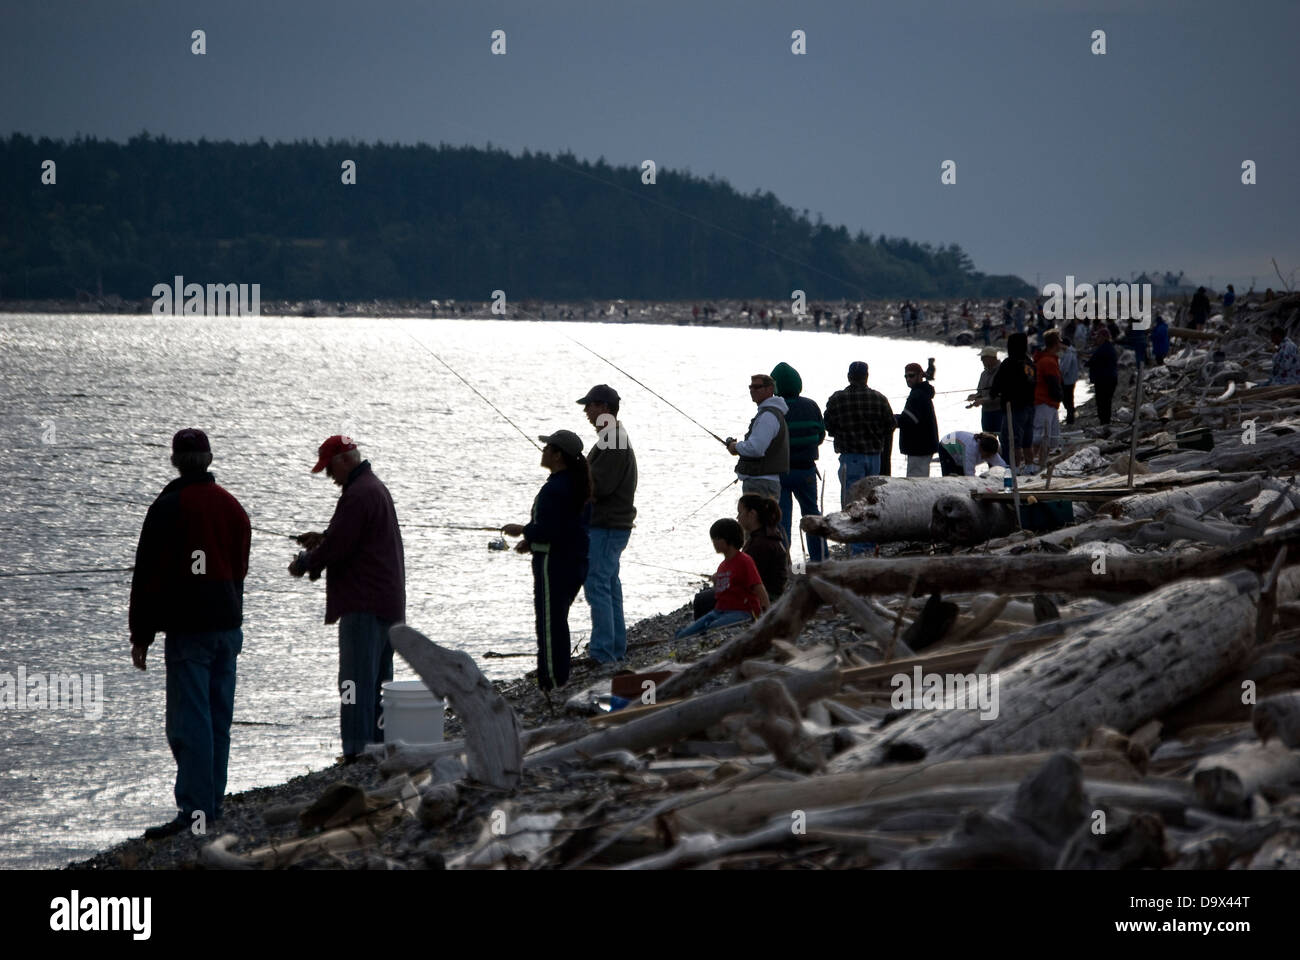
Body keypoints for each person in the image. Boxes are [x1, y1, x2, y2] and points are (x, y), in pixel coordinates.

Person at [130, 428, 250, 839]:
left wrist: (140, 634)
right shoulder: (233, 507)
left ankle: (195, 813)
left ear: (175, 460)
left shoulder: (168, 507)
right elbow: (239, 570)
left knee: (190, 721)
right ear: (209, 459)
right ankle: (211, 804)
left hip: (190, 630)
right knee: (218, 717)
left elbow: (147, 577)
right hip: (228, 626)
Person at [290, 436, 406, 762]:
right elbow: (348, 538)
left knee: (353, 684)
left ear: (344, 460)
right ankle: (379, 746)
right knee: (379, 682)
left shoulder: (358, 494)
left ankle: (355, 751)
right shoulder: (374, 488)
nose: (330, 477)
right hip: (388, 602)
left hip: (364, 605)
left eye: (329, 469)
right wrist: (323, 539)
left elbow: (338, 547)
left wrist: (305, 562)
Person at [501, 430, 591, 690]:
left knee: (549, 624)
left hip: (555, 564)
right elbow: (566, 527)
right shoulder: (577, 484)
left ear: (558, 455)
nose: (543, 452)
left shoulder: (555, 489)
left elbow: (550, 530)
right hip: (573, 561)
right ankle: (558, 676)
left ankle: (552, 681)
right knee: (557, 619)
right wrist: (531, 542)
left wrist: (524, 530)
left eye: (547, 448)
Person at [576, 384, 637, 664]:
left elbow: (599, 486)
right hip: (612, 525)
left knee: (597, 584)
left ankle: (603, 652)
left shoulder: (612, 440)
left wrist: (572, 475)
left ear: (605, 408)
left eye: (590, 406)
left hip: (607, 526)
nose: (587, 411)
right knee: (609, 584)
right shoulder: (610, 438)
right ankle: (614, 647)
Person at [824, 361, 895, 553]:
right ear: (867, 377)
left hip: (850, 458)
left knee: (851, 502)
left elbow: (828, 425)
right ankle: (870, 544)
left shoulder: (837, 399)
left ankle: (855, 546)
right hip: (874, 457)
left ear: (849, 377)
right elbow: (890, 425)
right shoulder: (879, 398)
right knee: (871, 500)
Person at [771, 362, 827, 562]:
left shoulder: (774, 410)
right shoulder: (811, 405)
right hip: (807, 471)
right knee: (812, 514)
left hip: (781, 473)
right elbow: (820, 435)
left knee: (782, 519)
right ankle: (820, 560)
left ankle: (785, 564)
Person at [675, 519, 768, 639]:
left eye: (716, 538)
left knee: (713, 628)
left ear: (727, 539)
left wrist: (766, 615)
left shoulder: (745, 561)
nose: (713, 542)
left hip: (742, 611)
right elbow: (721, 592)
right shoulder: (722, 566)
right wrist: (716, 582)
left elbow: (758, 587)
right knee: (684, 634)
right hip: (719, 611)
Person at [726, 373, 789, 500]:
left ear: (770, 389)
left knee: (757, 520)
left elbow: (756, 448)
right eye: (750, 387)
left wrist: (735, 447)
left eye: (757, 387)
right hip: (763, 482)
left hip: (760, 483)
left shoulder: (768, 416)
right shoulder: (770, 413)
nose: (752, 390)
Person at [991, 332, 1036, 468]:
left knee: (1012, 441)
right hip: (1030, 407)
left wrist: (993, 393)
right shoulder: (1029, 363)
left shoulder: (1009, 363)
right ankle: (1029, 468)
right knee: (1027, 441)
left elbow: (997, 384)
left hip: (1014, 408)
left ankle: (1014, 469)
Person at [737, 494, 789, 599]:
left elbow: (749, 580)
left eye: (740, 512)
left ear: (752, 514)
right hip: (769, 592)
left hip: (767, 596)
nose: (738, 517)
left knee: (702, 600)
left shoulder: (760, 543)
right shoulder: (764, 535)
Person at [896, 363, 939, 477]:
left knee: (915, 480)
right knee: (921, 478)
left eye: (911, 375)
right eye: (906, 376)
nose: (908, 379)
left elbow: (908, 420)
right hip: (924, 446)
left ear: (921, 375)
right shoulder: (922, 392)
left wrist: (890, 419)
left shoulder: (917, 395)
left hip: (919, 447)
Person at [1033, 331, 1064, 464]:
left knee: (1049, 437)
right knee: (1040, 436)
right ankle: (1032, 463)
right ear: (1056, 343)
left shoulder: (1046, 359)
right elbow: (1053, 383)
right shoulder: (1048, 361)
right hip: (1044, 402)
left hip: (1048, 402)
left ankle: (1041, 462)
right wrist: (1061, 396)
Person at [1087, 328, 1120, 425]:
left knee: (1102, 402)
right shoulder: (1106, 347)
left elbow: (1092, 361)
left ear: (1104, 337)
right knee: (1105, 402)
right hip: (1108, 378)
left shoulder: (1104, 349)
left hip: (1105, 380)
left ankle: (1104, 422)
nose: (1096, 339)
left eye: (1098, 337)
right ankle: (1105, 422)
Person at [938, 431, 1008, 476]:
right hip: (946, 445)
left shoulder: (990, 451)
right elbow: (969, 473)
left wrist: (1010, 474)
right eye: (986, 455)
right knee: (952, 476)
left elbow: (1002, 465)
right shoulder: (971, 449)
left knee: (961, 473)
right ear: (980, 448)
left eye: (990, 456)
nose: (987, 457)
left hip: (958, 445)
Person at [968, 347, 1003, 434]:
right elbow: (980, 392)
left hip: (1000, 412)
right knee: (987, 441)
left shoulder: (1003, 371)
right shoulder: (983, 374)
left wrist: (982, 401)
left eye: (983, 358)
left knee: (1003, 439)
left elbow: (1002, 395)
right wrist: (974, 397)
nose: (981, 360)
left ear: (992, 358)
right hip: (986, 413)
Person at [1059, 335, 1080, 425]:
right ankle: (1070, 415)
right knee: (1068, 399)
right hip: (1071, 379)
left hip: (1068, 380)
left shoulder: (1069, 353)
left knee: (1067, 399)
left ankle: (1070, 418)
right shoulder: (1070, 352)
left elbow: (1064, 368)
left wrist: (1058, 375)